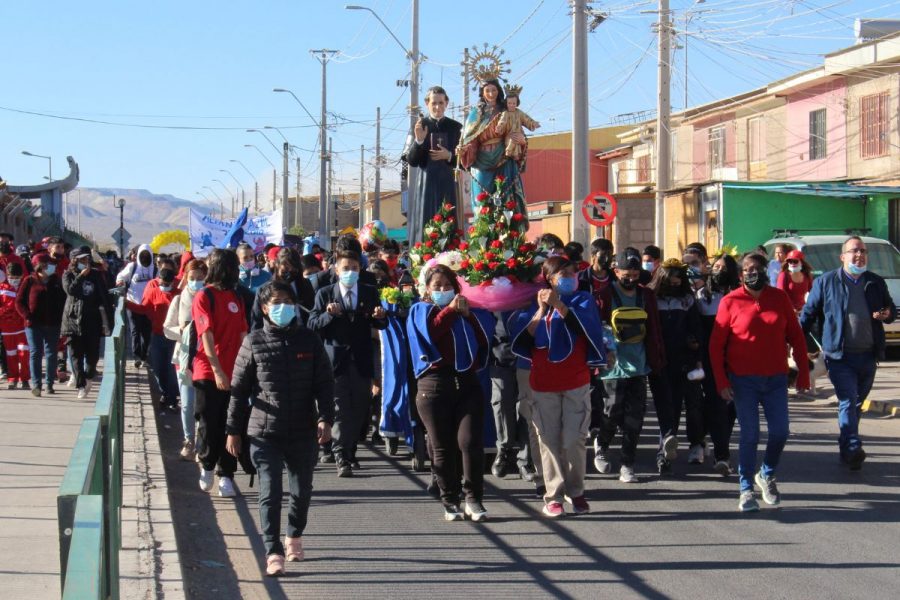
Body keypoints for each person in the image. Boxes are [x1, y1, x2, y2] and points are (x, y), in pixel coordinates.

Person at [226, 281, 335, 577]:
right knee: (270, 492)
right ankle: (273, 550)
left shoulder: (309, 340)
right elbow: (239, 390)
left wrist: (325, 418)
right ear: (264, 307)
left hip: (302, 429)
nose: (283, 307)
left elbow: (324, 384)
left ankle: (294, 535)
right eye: (277, 301)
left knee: (302, 491)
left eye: (288, 301)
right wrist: (233, 430)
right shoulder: (253, 341)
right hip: (264, 432)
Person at [710, 252, 809, 512]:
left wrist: (804, 374)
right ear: (741, 274)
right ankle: (745, 488)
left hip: (776, 378)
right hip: (743, 381)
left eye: (757, 268)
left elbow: (796, 337)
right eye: (747, 269)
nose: (752, 273)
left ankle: (766, 473)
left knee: (780, 431)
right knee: (750, 435)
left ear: (766, 271)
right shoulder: (730, 302)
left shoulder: (779, 298)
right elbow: (716, 345)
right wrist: (721, 381)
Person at [510, 256, 607, 517]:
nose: (569, 277)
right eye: (562, 273)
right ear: (549, 278)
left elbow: (585, 330)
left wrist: (559, 305)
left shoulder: (583, 300)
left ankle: (576, 491)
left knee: (574, 439)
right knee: (548, 440)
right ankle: (553, 495)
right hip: (543, 382)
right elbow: (524, 338)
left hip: (576, 380)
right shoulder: (534, 303)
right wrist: (543, 310)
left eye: (572, 272)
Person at [800, 236, 896, 471]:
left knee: (857, 403)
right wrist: (804, 346)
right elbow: (808, 315)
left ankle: (847, 447)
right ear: (843, 256)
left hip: (868, 355)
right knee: (849, 400)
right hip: (839, 356)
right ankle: (853, 445)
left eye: (863, 251)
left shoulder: (874, 282)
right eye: (854, 251)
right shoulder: (826, 282)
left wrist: (887, 314)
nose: (859, 255)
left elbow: (891, 310)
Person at [406, 264, 490, 521]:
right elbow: (431, 332)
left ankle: (473, 498)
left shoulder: (463, 310)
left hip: (466, 383)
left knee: (470, 442)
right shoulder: (420, 310)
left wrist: (466, 315)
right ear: (427, 290)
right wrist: (451, 311)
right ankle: (449, 498)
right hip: (434, 386)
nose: (443, 290)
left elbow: (480, 340)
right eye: (437, 286)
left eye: (448, 286)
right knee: (442, 447)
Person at [308, 250, 387, 477]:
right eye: (345, 268)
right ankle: (340, 454)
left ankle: (349, 451)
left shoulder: (369, 292)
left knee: (360, 407)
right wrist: (329, 315)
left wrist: (380, 316)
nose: (350, 272)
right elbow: (313, 324)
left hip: (361, 359)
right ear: (336, 270)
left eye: (354, 268)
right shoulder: (325, 294)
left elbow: (380, 323)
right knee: (340, 408)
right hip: (336, 361)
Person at [595, 252, 666, 483]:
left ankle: (627, 463)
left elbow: (654, 327)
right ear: (616, 272)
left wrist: (657, 358)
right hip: (612, 366)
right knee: (612, 411)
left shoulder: (646, 295)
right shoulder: (604, 296)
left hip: (639, 365)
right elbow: (597, 327)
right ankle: (602, 445)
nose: (632, 279)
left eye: (636, 275)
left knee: (635, 418)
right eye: (627, 275)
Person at [193, 249, 248, 498]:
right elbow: (206, 335)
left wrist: (248, 368)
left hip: (235, 370)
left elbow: (242, 334)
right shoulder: (204, 296)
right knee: (209, 421)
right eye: (233, 267)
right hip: (208, 370)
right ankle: (206, 463)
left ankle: (226, 474)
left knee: (232, 423)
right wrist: (217, 371)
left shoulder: (236, 296)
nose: (236, 272)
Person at [646, 259, 705, 473]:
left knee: (676, 404)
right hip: (658, 360)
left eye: (678, 277)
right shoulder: (650, 298)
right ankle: (666, 444)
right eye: (671, 276)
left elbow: (696, 328)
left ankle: (666, 449)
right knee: (663, 404)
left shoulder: (687, 300)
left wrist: (695, 347)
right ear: (662, 276)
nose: (675, 281)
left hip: (682, 360)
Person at [696, 254, 740, 476]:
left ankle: (711, 436)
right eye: (716, 266)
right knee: (716, 402)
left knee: (730, 406)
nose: (719, 270)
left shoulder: (739, 295)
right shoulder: (703, 296)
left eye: (724, 267)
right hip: (710, 356)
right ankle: (722, 454)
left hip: (735, 357)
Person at [459, 78, 528, 218]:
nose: (491, 94)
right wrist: (464, 150)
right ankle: (483, 235)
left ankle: (509, 235)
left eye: (494, 90)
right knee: (482, 201)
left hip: (505, 157)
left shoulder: (507, 110)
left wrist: (522, 141)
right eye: (487, 90)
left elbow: (518, 131)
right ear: (482, 93)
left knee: (507, 200)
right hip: (481, 162)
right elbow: (469, 138)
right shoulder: (476, 113)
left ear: (499, 91)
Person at [404, 85, 463, 245]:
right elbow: (412, 160)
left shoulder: (456, 128)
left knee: (449, 223)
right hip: (425, 184)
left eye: (441, 103)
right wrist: (419, 140)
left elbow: (465, 161)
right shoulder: (417, 126)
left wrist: (449, 155)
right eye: (434, 103)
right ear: (427, 103)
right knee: (425, 223)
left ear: (447, 103)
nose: (437, 107)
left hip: (447, 184)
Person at [164, 258, 207, 461]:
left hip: (206, 358)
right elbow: (167, 328)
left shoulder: (210, 299)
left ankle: (202, 442)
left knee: (204, 404)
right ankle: (189, 440)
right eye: (192, 278)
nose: (196, 282)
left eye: (200, 278)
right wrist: (182, 332)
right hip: (184, 357)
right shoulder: (179, 300)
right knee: (188, 403)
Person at [127, 257, 180, 410]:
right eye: (162, 283)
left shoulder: (178, 293)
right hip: (157, 334)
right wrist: (126, 303)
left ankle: (172, 398)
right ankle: (164, 392)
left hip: (174, 337)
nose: (164, 286)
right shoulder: (153, 288)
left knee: (171, 369)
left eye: (167, 284)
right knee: (158, 367)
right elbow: (144, 308)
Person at [61, 247, 112, 399]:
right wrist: (81, 277)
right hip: (72, 321)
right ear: (74, 261)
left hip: (92, 321)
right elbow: (70, 290)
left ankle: (88, 377)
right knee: (76, 355)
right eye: (82, 260)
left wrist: (108, 317)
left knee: (92, 356)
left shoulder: (95, 275)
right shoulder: (68, 274)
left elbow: (104, 292)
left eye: (87, 259)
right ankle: (81, 385)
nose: (85, 262)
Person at [16, 255, 66, 396]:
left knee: (51, 353)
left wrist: (61, 318)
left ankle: (49, 384)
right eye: (49, 265)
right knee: (35, 352)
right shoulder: (29, 280)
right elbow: (19, 301)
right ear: (40, 266)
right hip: (33, 324)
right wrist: (27, 315)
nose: (52, 267)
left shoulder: (56, 281)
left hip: (53, 324)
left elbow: (63, 301)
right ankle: (36, 385)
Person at [117, 244, 156, 367]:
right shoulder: (132, 267)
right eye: (142, 255)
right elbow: (120, 276)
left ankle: (144, 355)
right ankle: (137, 356)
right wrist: (120, 282)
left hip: (148, 307)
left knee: (146, 333)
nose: (145, 257)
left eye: (147, 255)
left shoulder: (154, 269)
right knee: (135, 331)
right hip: (133, 304)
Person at [0, 262, 29, 389]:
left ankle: (25, 379)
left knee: (24, 354)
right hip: (7, 328)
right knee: (11, 354)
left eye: (17, 277)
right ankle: (13, 379)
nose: (14, 280)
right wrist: (7, 312)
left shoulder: (26, 287)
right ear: (7, 275)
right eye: (11, 277)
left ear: (22, 276)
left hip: (23, 328)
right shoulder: (2, 288)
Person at [497, 85, 540, 161]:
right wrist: (499, 127)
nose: (512, 105)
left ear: (517, 103)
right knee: (512, 140)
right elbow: (502, 121)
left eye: (514, 103)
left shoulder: (519, 113)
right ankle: (508, 152)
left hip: (518, 134)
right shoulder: (505, 113)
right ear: (506, 103)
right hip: (509, 135)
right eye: (509, 103)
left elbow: (526, 119)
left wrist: (533, 123)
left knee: (517, 144)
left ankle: (515, 156)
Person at [777, 249, 813, 314]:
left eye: (795, 261)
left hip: (803, 311)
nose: (792, 263)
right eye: (790, 261)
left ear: (801, 262)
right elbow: (780, 295)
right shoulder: (783, 275)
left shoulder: (806, 275)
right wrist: (791, 309)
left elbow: (813, 293)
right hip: (787, 311)